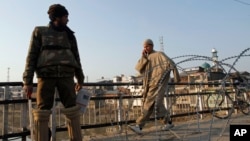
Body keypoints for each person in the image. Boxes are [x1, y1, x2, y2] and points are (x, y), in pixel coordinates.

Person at [23, 4, 84, 141]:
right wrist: (27, 81)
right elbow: (31, 56)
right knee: (42, 113)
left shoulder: (69, 35)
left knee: (72, 110)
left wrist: (80, 79)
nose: (68, 20)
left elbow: (76, 57)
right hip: (46, 77)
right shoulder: (40, 31)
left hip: (67, 77)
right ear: (57, 17)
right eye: (65, 17)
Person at [129, 39, 180, 134]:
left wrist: (177, 78)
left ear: (152, 45)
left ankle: (139, 126)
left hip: (158, 84)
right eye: (144, 47)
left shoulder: (159, 54)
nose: (146, 48)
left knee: (148, 104)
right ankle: (168, 122)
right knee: (157, 105)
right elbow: (139, 68)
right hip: (150, 84)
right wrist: (143, 57)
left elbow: (172, 64)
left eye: (147, 46)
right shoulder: (146, 57)